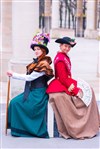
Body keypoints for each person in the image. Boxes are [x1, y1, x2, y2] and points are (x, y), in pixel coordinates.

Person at [46, 36, 100, 139]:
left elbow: (67, 75)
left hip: (65, 80)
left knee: (89, 90)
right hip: (61, 82)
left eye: (69, 47)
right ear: (60, 45)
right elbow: (62, 78)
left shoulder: (63, 56)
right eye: (65, 46)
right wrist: (74, 90)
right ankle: (82, 126)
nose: (67, 48)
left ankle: (93, 122)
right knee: (82, 94)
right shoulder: (61, 59)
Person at [6, 32, 54, 138]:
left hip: (38, 94)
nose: (36, 51)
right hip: (32, 91)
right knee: (14, 102)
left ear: (44, 51)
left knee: (15, 103)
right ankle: (15, 127)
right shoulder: (37, 63)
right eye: (35, 49)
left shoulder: (44, 64)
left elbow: (29, 78)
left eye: (39, 49)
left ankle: (23, 130)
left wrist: (13, 74)